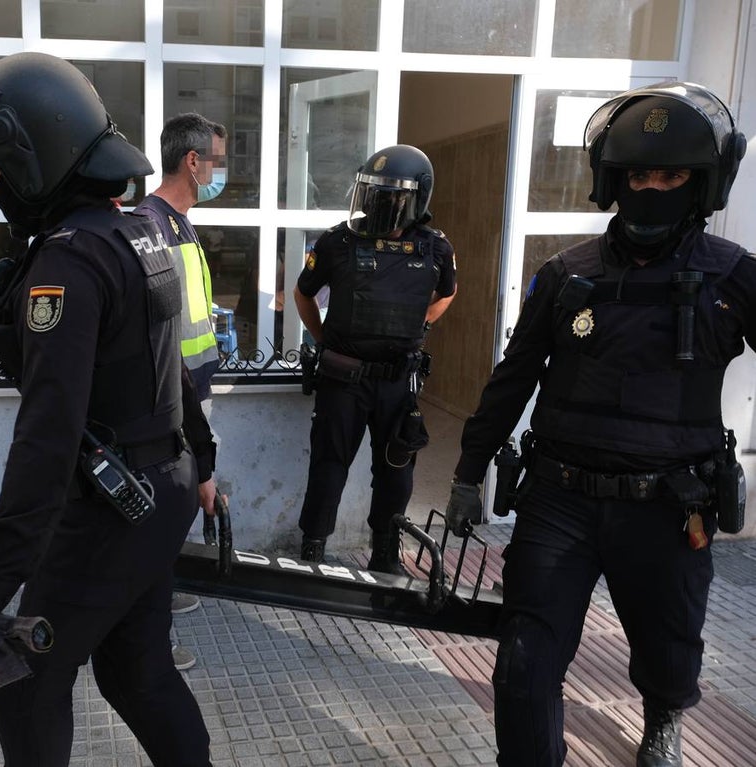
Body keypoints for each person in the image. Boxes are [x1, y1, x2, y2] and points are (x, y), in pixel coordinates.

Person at [0, 52, 214, 766]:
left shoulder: (68, 261)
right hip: (160, 488)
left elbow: (46, 441)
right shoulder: (137, 233)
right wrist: (205, 463)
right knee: (137, 671)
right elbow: (173, 371)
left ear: (38, 157)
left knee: (21, 681)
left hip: (113, 508)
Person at [443, 81, 752, 767]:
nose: (652, 189)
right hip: (560, 501)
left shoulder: (733, 278)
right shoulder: (566, 275)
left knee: (669, 648)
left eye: (670, 177)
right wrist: (467, 472)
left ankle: (664, 718)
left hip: (669, 505)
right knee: (523, 666)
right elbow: (512, 378)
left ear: (701, 184)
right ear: (615, 180)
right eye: (639, 176)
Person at [294, 145, 457, 572]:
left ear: (418, 198)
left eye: (392, 196)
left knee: (396, 472)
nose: (381, 203)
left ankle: (385, 552)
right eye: (375, 193)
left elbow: (448, 293)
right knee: (329, 466)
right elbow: (303, 293)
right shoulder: (338, 241)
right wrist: (323, 339)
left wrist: (421, 324)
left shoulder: (435, 247)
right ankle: (313, 548)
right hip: (343, 379)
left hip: (397, 383)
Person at [135, 112, 228, 669]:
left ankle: (162, 591)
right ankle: (152, 639)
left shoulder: (181, 222)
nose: (220, 172)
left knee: (180, 508)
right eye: (217, 161)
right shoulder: (150, 225)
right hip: (173, 400)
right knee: (166, 509)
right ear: (193, 162)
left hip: (191, 390)